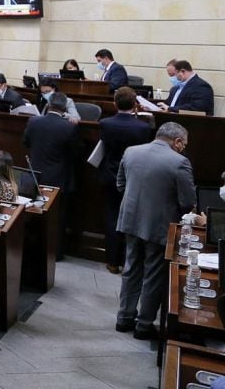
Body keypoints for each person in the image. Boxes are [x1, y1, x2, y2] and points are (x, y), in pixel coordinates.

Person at [115, 122, 195, 339]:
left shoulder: (131, 151)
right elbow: (188, 202)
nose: (184, 148)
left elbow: (120, 185)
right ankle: (144, 325)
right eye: (184, 144)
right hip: (159, 225)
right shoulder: (180, 162)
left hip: (130, 220)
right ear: (177, 141)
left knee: (131, 268)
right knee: (153, 274)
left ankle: (123, 318)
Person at [98, 87, 154, 274]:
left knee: (111, 216)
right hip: (134, 178)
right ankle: (129, 261)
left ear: (115, 103)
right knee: (132, 219)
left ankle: (112, 261)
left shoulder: (105, 123)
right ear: (135, 105)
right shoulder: (144, 128)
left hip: (110, 175)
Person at [23, 92, 81, 258]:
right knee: (58, 217)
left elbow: (25, 142)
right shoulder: (69, 127)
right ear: (64, 108)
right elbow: (76, 151)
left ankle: (33, 250)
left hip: (35, 175)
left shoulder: (33, 121)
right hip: (59, 177)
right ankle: (55, 253)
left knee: (34, 214)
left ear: (48, 105)